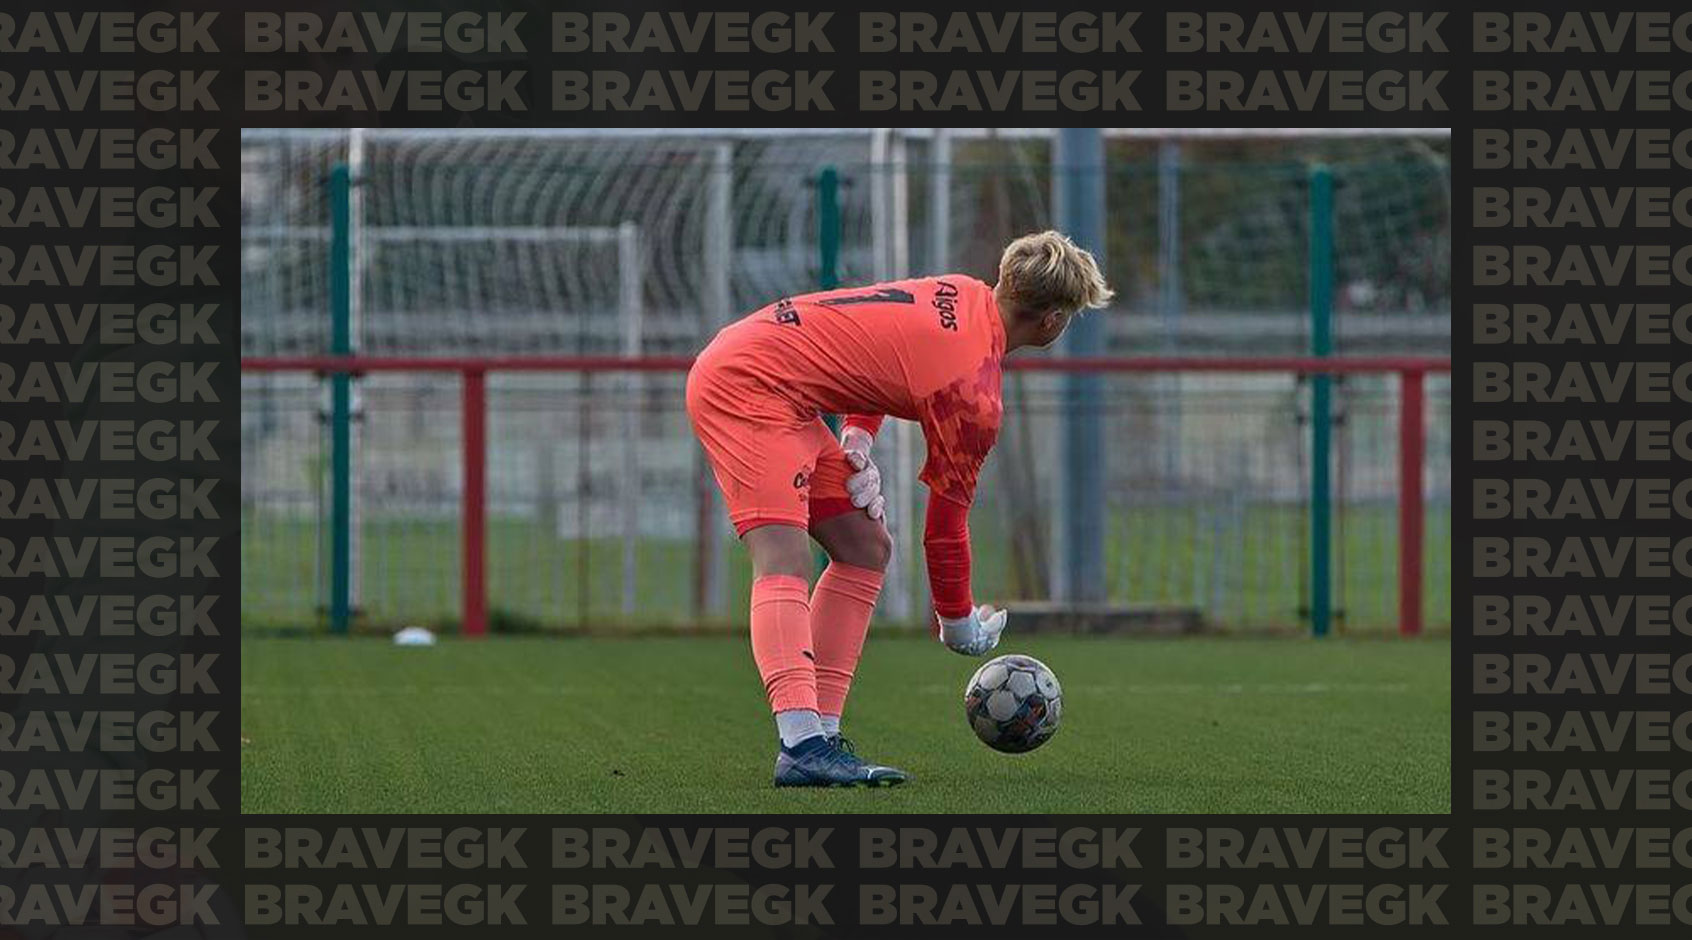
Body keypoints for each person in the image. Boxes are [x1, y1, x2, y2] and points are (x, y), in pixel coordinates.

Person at [685, 230, 1114, 787]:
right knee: (781, 559)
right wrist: (957, 623)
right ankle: (801, 745)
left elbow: (872, 346)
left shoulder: (960, 292)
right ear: (1053, 321)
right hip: (749, 384)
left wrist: (858, 439)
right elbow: (944, 527)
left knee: (865, 547)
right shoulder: (974, 394)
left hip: (764, 364)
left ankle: (822, 737)